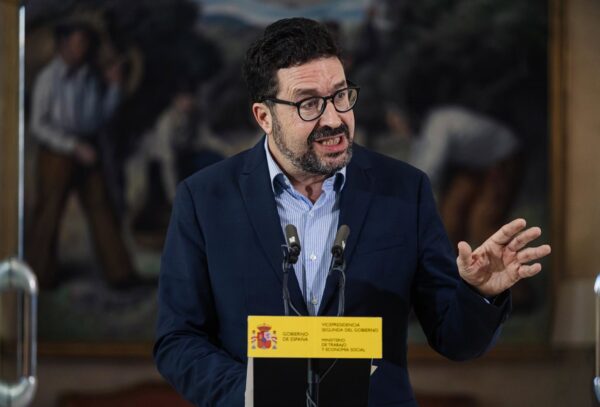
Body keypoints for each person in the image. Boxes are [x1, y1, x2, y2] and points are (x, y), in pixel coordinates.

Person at [154, 18, 551, 406]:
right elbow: (179, 339)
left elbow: (456, 339)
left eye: (341, 95)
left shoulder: (405, 190)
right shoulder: (203, 199)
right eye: (309, 103)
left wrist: (479, 293)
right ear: (264, 117)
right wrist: (251, 393)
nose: (334, 119)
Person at [27, 21, 139, 289]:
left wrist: (114, 88)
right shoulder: (48, 79)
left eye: (86, 44)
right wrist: (72, 146)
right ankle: (38, 276)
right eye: (78, 43)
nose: (83, 49)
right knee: (49, 212)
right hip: (56, 153)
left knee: (101, 207)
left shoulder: (90, 77)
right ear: (62, 45)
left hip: (88, 150)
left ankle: (120, 274)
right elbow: (38, 125)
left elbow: (98, 118)